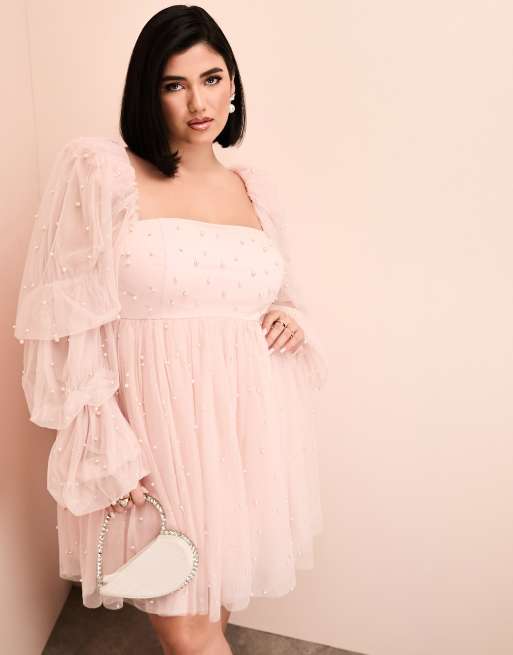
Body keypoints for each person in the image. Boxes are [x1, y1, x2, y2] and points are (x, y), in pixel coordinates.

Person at [13, 5, 328, 655]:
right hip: (151, 433)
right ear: (147, 92)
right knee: (187, 630)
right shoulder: (102, 171)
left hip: (242, 429)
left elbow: (280, 293)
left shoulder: (254, 188)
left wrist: (290, 318)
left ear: (233, 83)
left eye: (211, 79)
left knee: (211, 612)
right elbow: (63, 323)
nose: (198, 103)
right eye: (173, 84)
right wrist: (104, 444)